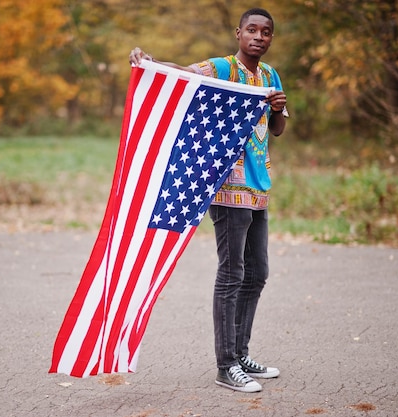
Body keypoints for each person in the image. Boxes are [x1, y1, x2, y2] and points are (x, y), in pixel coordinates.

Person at [129, 8, 288, 393]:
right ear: (238, 33)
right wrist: (150, 63)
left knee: (257, 273)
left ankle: (241, 352)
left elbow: (279, 129)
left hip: (258, 187)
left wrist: (279, 109)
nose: (259, 37)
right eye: (252, 30)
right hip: (228, 187)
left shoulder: (269, 76)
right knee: (231, 274)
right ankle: (225, 365)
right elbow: (183, 75)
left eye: (266, 32)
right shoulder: (222, 69)